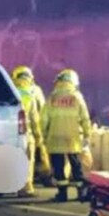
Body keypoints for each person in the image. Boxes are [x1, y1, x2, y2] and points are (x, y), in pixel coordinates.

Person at [41, 68, 92, 202]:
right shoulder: (77, 96)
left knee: (58, 167)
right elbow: (85, 117)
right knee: (76, 166)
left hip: (55, 137)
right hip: (73, 138)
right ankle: (80, 193)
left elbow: (43, 119)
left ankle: (62, 194)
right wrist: (87, 134)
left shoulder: (52, 97)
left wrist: (45, 135)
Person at [11, 66, 51, 196]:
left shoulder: (10, 90)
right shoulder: (32, 91)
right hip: (25, 132)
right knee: (28, 159)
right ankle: (25, 187)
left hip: (7, 133)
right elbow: (36, 115)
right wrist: (39, 136)